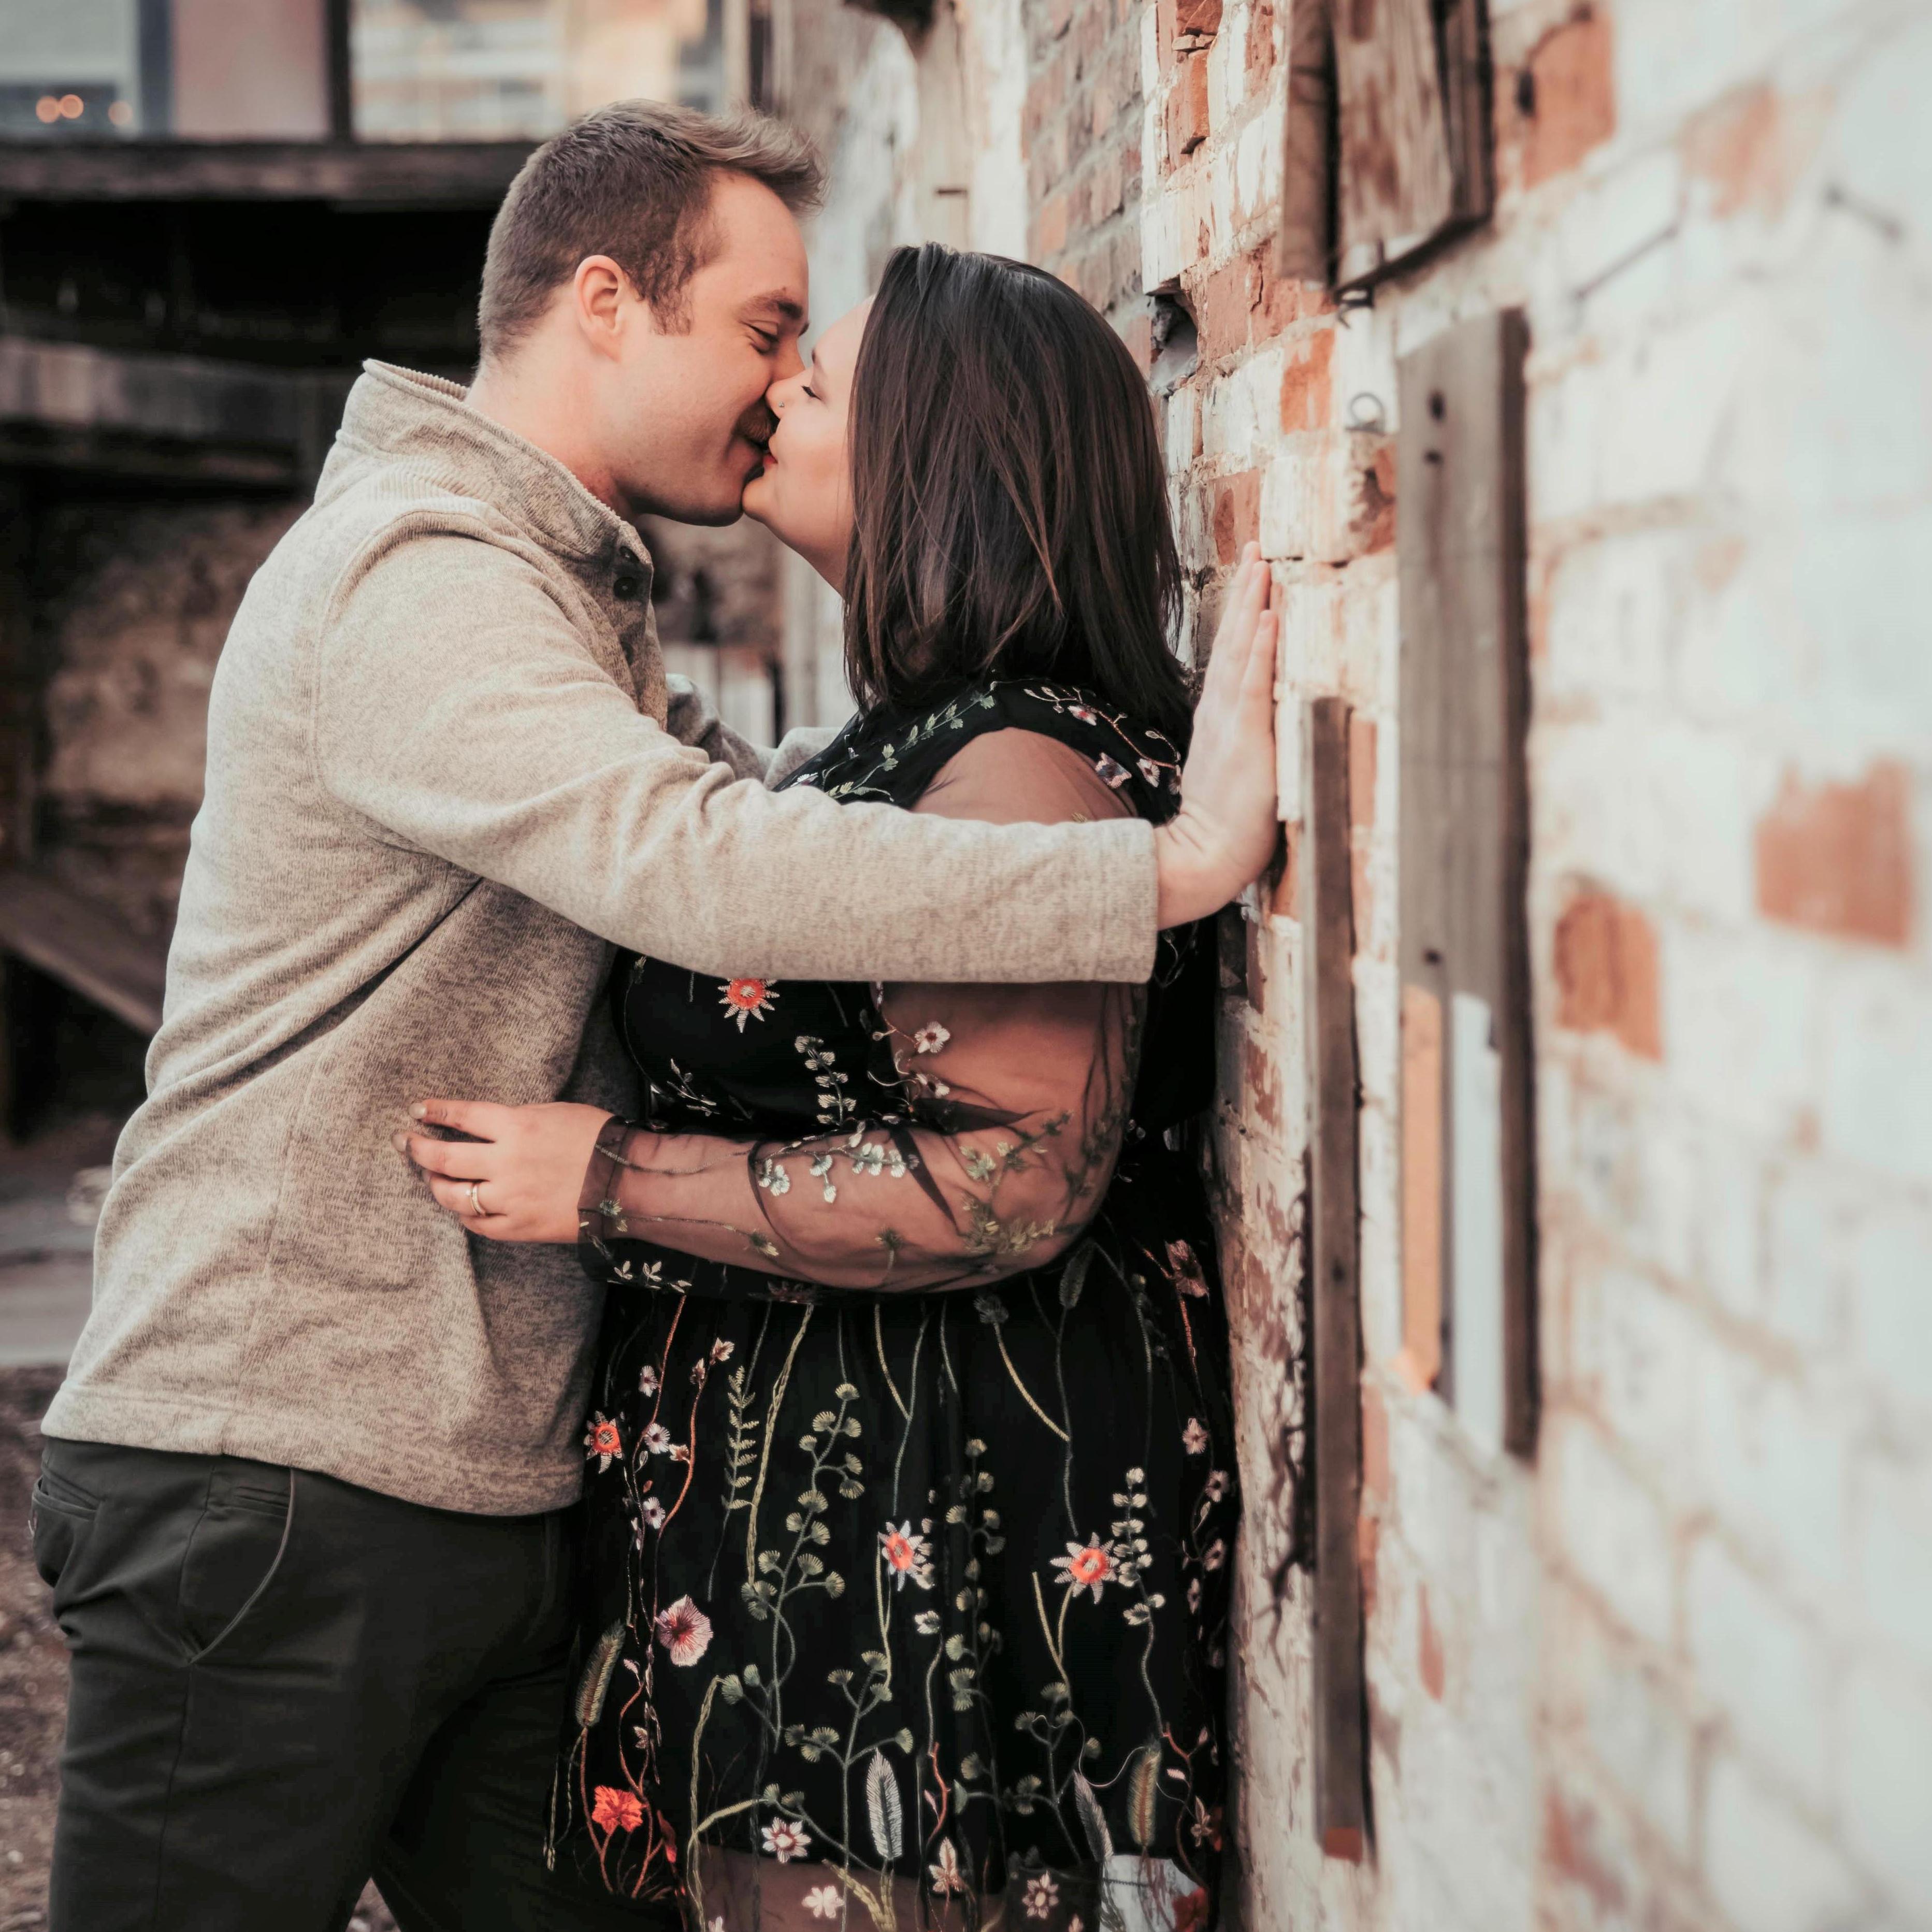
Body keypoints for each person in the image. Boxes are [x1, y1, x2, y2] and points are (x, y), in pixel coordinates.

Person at [28, 106, 1276, 1932]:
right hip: (275, 1467)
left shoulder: (553, 587)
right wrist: (1163, 873)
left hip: (479, 1475)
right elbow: (685, 855)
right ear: (606, 302)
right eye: (767, 328)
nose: (777, 390)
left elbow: (774, 831)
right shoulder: (423, 569)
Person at [402, 246, 1265, 1931]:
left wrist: (609, 1177)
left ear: (943, 451)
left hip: (930, 1511)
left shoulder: (1013, 761)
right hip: (842, 1491)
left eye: (825, 377)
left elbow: (1007, 1180)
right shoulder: (921, 737)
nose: (779, 390)